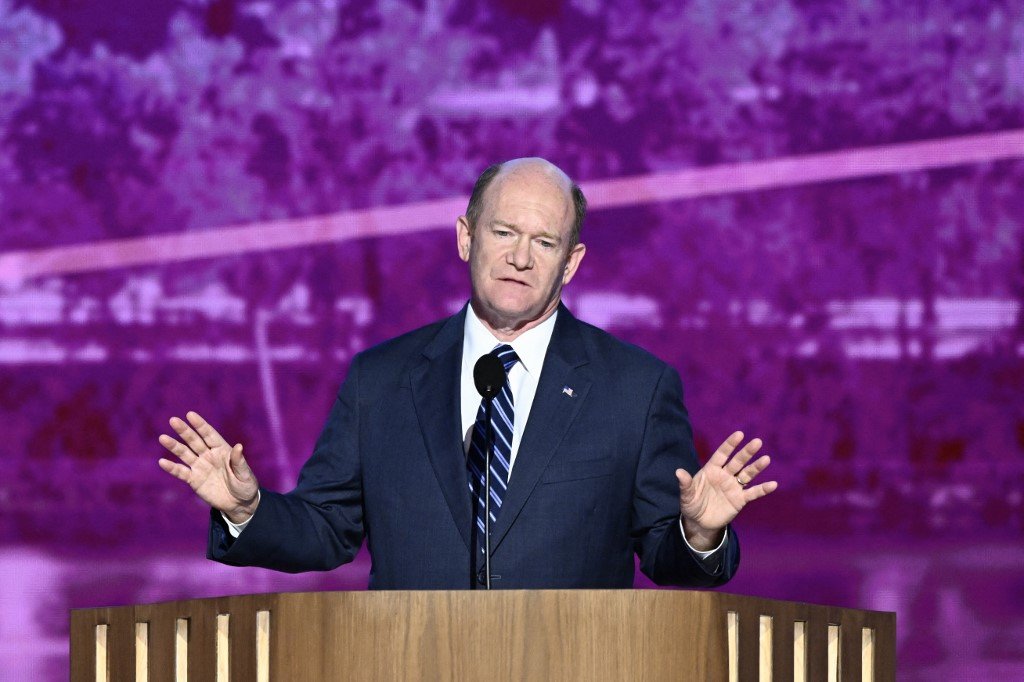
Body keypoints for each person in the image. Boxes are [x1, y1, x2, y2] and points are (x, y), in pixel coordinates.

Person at [158, 157, 777, 589]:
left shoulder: (636, 388)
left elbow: (666, 558)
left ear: (571, 263)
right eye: (504, 232)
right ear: (465, 237)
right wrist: (248, 509)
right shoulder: (382, 379)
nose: (519, 258)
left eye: (544, 242)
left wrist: (698, 535)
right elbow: (327, 531)